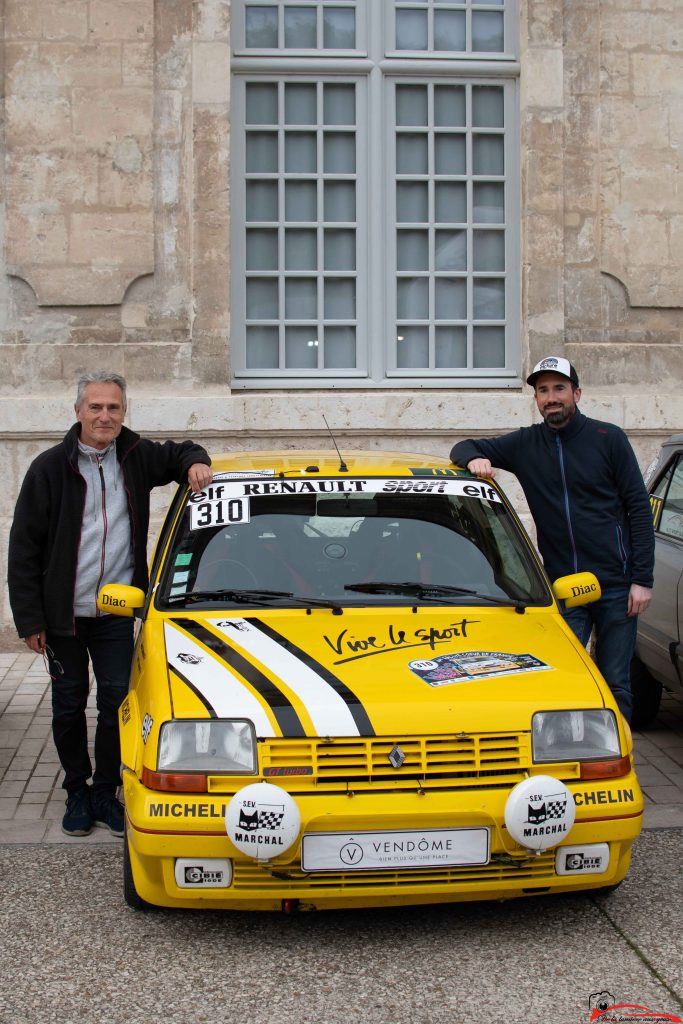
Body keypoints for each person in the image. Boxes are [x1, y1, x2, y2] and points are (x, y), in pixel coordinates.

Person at [7, 371, 213, 837]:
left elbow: (182, 451)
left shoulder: (137, 457)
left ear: (124, 413)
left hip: (116, 613)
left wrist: (196, 462)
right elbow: (23, 550)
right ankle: (76, 790)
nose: (105, 416)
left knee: (116, 702)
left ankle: (105, 790)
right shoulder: (48, 468)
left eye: (114, 408)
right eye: (96, 407)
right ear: (78, 411)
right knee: (67, 705)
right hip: (63, 617)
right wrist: (30, 619)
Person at [449, 355, 654, 722]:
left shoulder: (609, 439)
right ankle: (572, 753)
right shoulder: (526, 443)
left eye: (559, 388)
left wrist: (642, 579)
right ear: (537, 399)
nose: (551, 397)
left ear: (577, 393)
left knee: (615, 683)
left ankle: (616, 760)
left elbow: (639, 509)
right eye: (543, 391)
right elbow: (463, 446)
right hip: (563, 587)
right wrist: (474, 460)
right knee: (565, 681)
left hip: (616, 586)